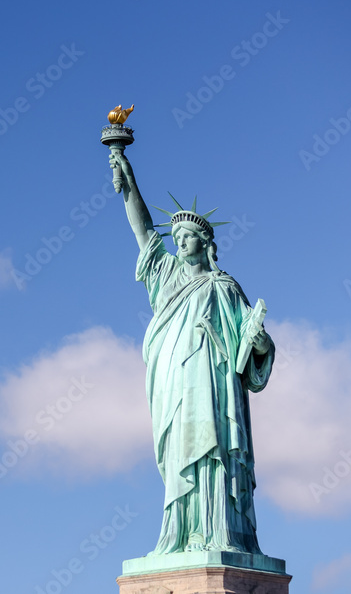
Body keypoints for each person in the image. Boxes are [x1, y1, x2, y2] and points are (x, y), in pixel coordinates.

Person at [110, 152, 275, 555]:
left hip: (215, 382)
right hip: (175, 380)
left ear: (205, 243)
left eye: (187, 237)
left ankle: (220, 532)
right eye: (177, 237)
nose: (179, 242)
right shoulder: (165, 274)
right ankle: (181, 534)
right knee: (182, 446)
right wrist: (128, 180)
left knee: (215, 445)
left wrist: (259, 343)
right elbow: (143, 230)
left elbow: (252, 347)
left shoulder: (225, 287)